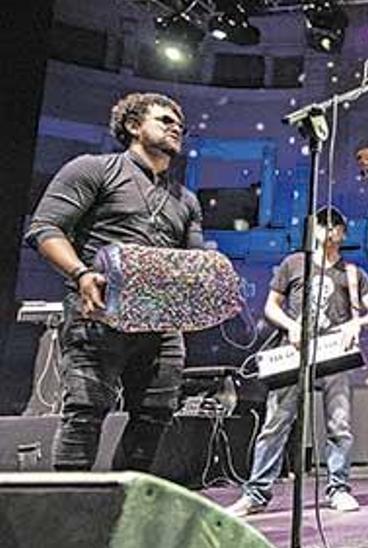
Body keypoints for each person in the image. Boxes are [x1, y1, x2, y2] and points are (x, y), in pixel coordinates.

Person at [25, 92, 203, 471]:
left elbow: (193, 263)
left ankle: (125, 505)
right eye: (165, 120)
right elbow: (45, 228)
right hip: (98, 312)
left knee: (157, 414)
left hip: (160, 322)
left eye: (180, 125)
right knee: (86, 411)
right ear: (133, 126)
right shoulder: (93, 169)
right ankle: (71, 519)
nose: (176, 128)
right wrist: (81, 273)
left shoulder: (186, 200)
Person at [227, 206, 368, 516]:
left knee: (339, 425)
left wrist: (357, 324)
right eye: (322, 225)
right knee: (275, 424)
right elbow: (271, 306)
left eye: (335, 226)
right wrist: (290, 324)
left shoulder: (353, 273)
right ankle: (256, 493)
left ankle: (338, 488)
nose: (329, 231)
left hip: (334, 355)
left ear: (343, 233)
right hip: (294, 353)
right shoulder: (294, 264)